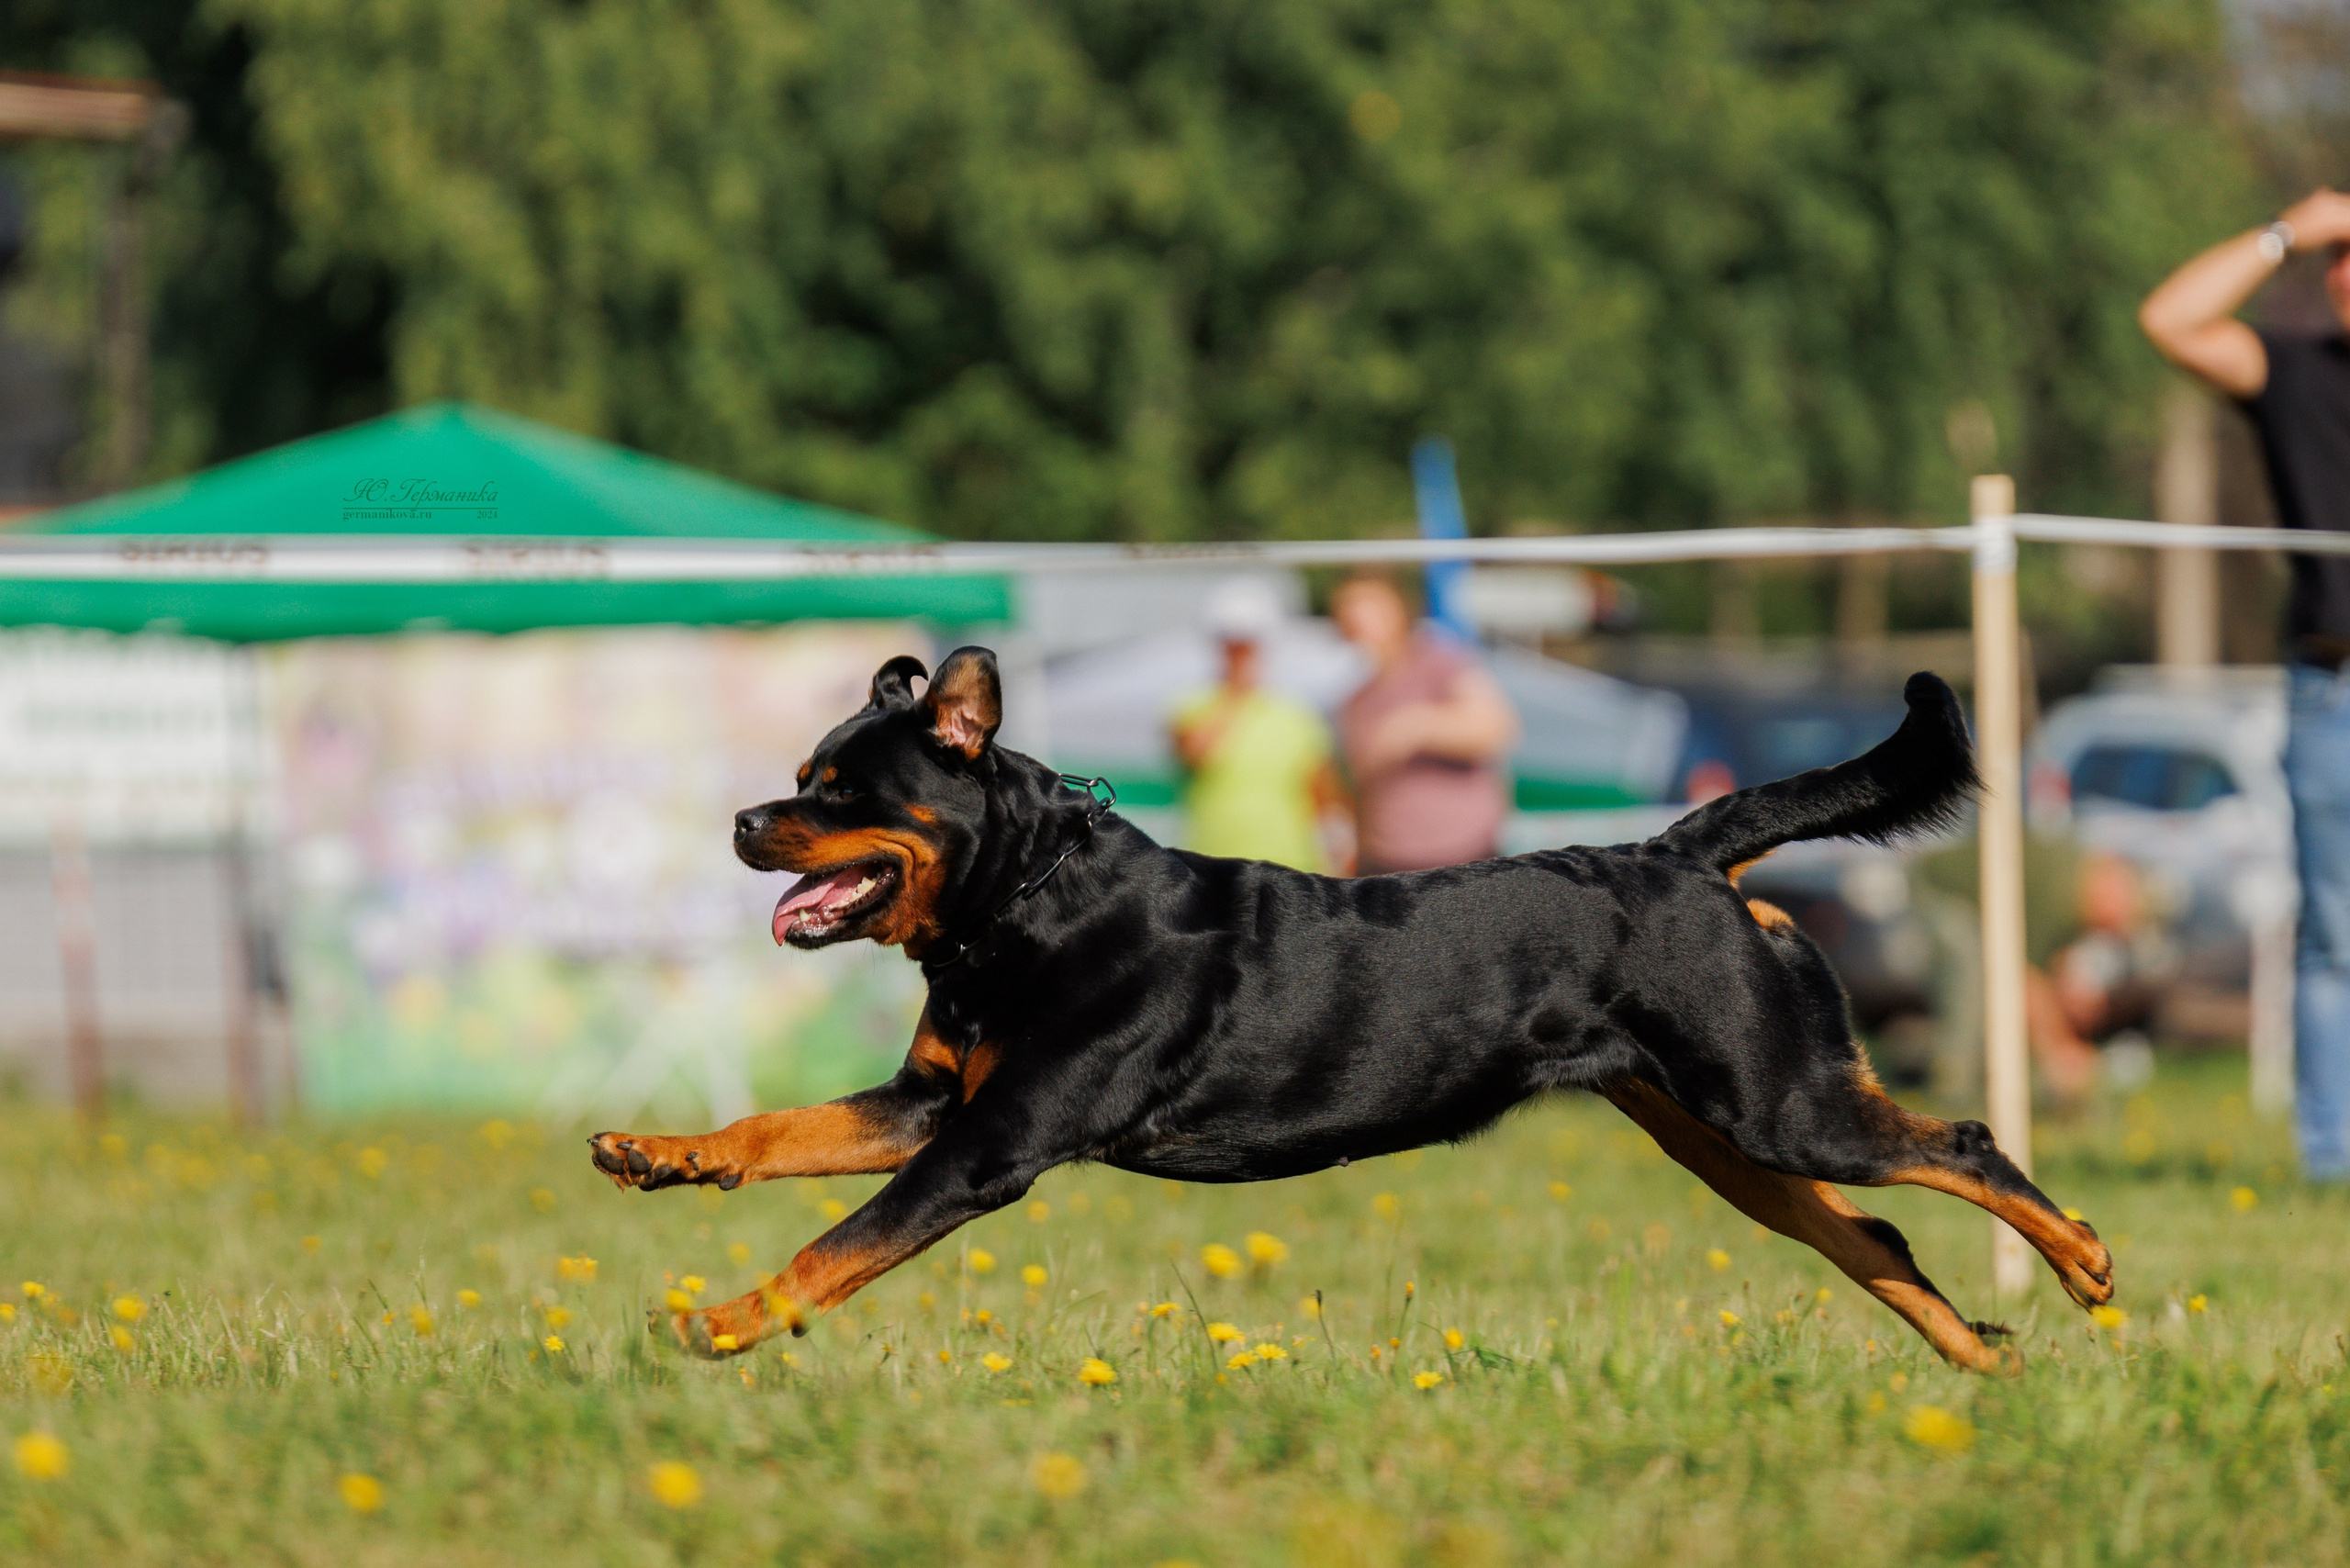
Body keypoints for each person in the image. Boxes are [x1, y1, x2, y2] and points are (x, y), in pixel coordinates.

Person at [2140, 186, 2350, 1179]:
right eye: (2340, 256)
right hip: (2329, 689)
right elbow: (2169, 318)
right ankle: (2332, 1163)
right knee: (2333, 934)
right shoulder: (2296, 372)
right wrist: (2281, 234)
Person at [1330, 568, 1519, 874]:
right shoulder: (1354, 700)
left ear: (1398, 608)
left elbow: (1497, 728)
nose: (1356, 613)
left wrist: (1418, 726)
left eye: (1368, 602)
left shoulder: (1439, 661)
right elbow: (1360, 792)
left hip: (1462, 861)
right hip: (1385, 866)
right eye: (1347, 604)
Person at [1168, 578, 1352, 872]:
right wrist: (1235, 695)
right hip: (1210, 866)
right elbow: (1194, 755)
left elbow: (1322, 793)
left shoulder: (1297, 713)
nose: (1241, 652)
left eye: (1248, 643)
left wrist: (1342, 847)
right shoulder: (1190, 704)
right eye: (1233, 643)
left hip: (1290, 866)